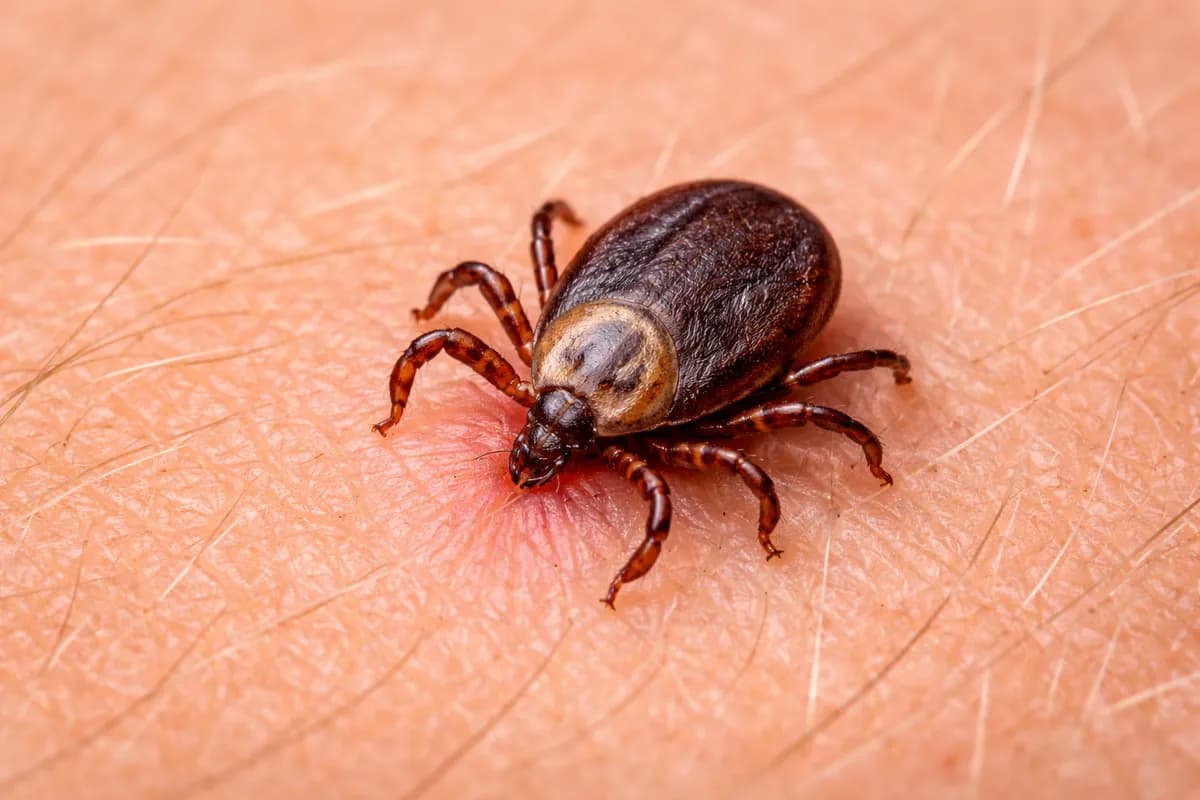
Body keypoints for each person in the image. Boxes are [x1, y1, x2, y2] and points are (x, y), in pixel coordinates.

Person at [1, 2, 1196, 796]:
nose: (542, 439)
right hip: (672, 295)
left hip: (712, 298)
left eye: (545, 434)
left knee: (776, 426)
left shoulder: (630, 426)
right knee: (735, 436)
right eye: (547, 428)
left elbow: (719, 465)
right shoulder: (580, 404)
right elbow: (683, 461)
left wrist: (802, 486)